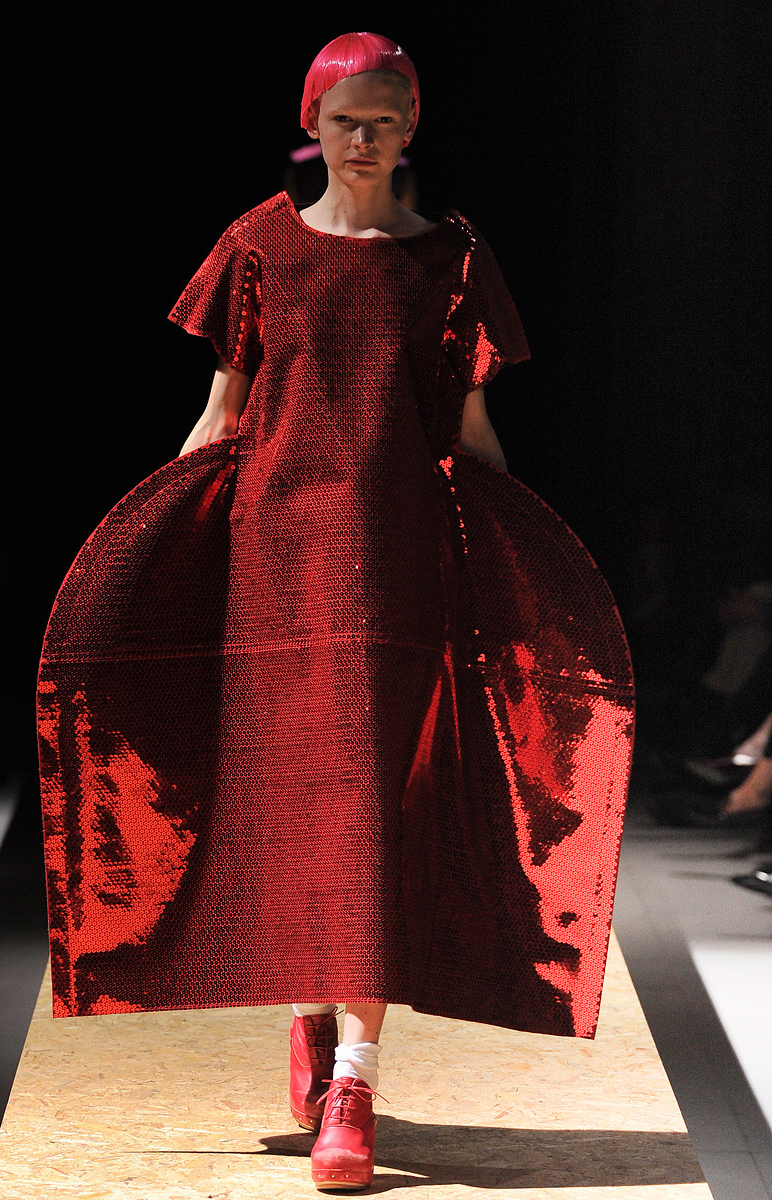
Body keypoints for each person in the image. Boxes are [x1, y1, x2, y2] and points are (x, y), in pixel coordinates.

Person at [37, 33, 634, 1191]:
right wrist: (143, 553)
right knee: (297, 809)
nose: (365, 140)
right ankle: (313, 1021)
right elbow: (224, 413)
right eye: (346, 119)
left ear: (413, 126)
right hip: (274, 563)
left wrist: (525, 573)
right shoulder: (259, 245)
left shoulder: (450, 257)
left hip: (399, 566)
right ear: (311, 122)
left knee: (368, 811)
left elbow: (470, 433)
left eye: (386, 120)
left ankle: (353, 1078)